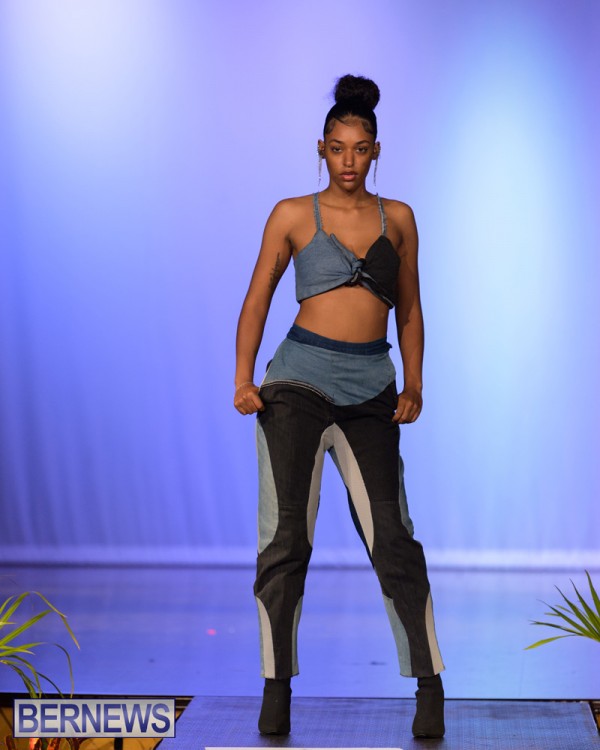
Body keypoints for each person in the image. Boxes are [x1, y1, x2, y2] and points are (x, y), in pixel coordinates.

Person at [234, 74, 445, 739]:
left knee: (394, 538)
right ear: (320, 149)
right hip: (296, 385)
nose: (347, 161)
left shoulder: (398, 219)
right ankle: (276, 686)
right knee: (286, 539)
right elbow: (258, 299)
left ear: (376, 151)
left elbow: (409, 310)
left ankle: (429, 682)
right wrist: (243, 379)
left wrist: (414, 384)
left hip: (371, 390)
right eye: (336, 148)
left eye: (359, 149)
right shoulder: (293, 214)